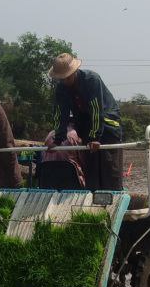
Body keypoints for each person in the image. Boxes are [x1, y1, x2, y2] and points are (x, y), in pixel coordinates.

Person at [44, 53, 124, 190]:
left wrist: (95, 137)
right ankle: (92, 198)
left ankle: (114, 197)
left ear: (74, 71)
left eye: (68, 77)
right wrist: (57, 139)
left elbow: (96, 109)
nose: (65, 81)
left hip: (107, 124)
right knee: (91, 170)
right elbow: (60, 113)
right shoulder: (61, 88)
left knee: (109, 169)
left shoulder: (91, 80)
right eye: (62, 78)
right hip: (86, 126)